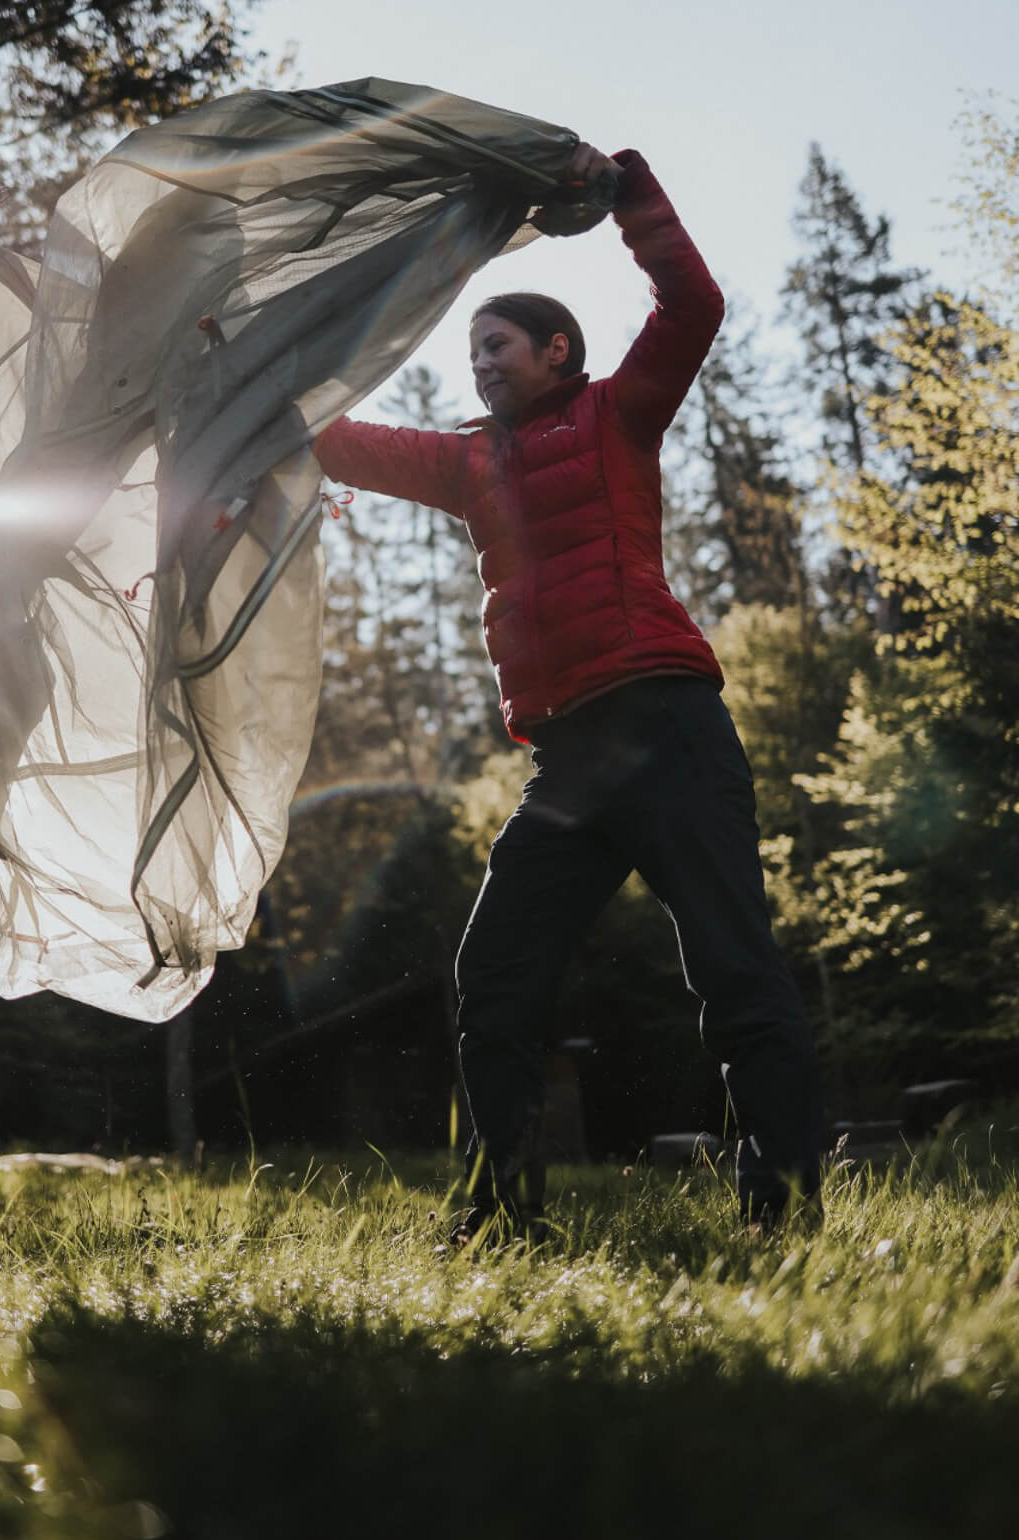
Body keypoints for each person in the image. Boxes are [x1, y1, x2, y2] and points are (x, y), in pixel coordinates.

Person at [314, 143, 822, 1237]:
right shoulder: (465, 464)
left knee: (734, 971)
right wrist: (234, 372)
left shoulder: (616, 415)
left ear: (556, 349)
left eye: (494, 345)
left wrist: (628, 190)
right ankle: (501, 1212)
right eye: (470, 351)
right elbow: (331, 445)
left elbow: (691, 302)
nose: (479, 365)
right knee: (492, 977)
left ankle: (778, 1215)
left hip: (668, 726)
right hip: (567, 764)